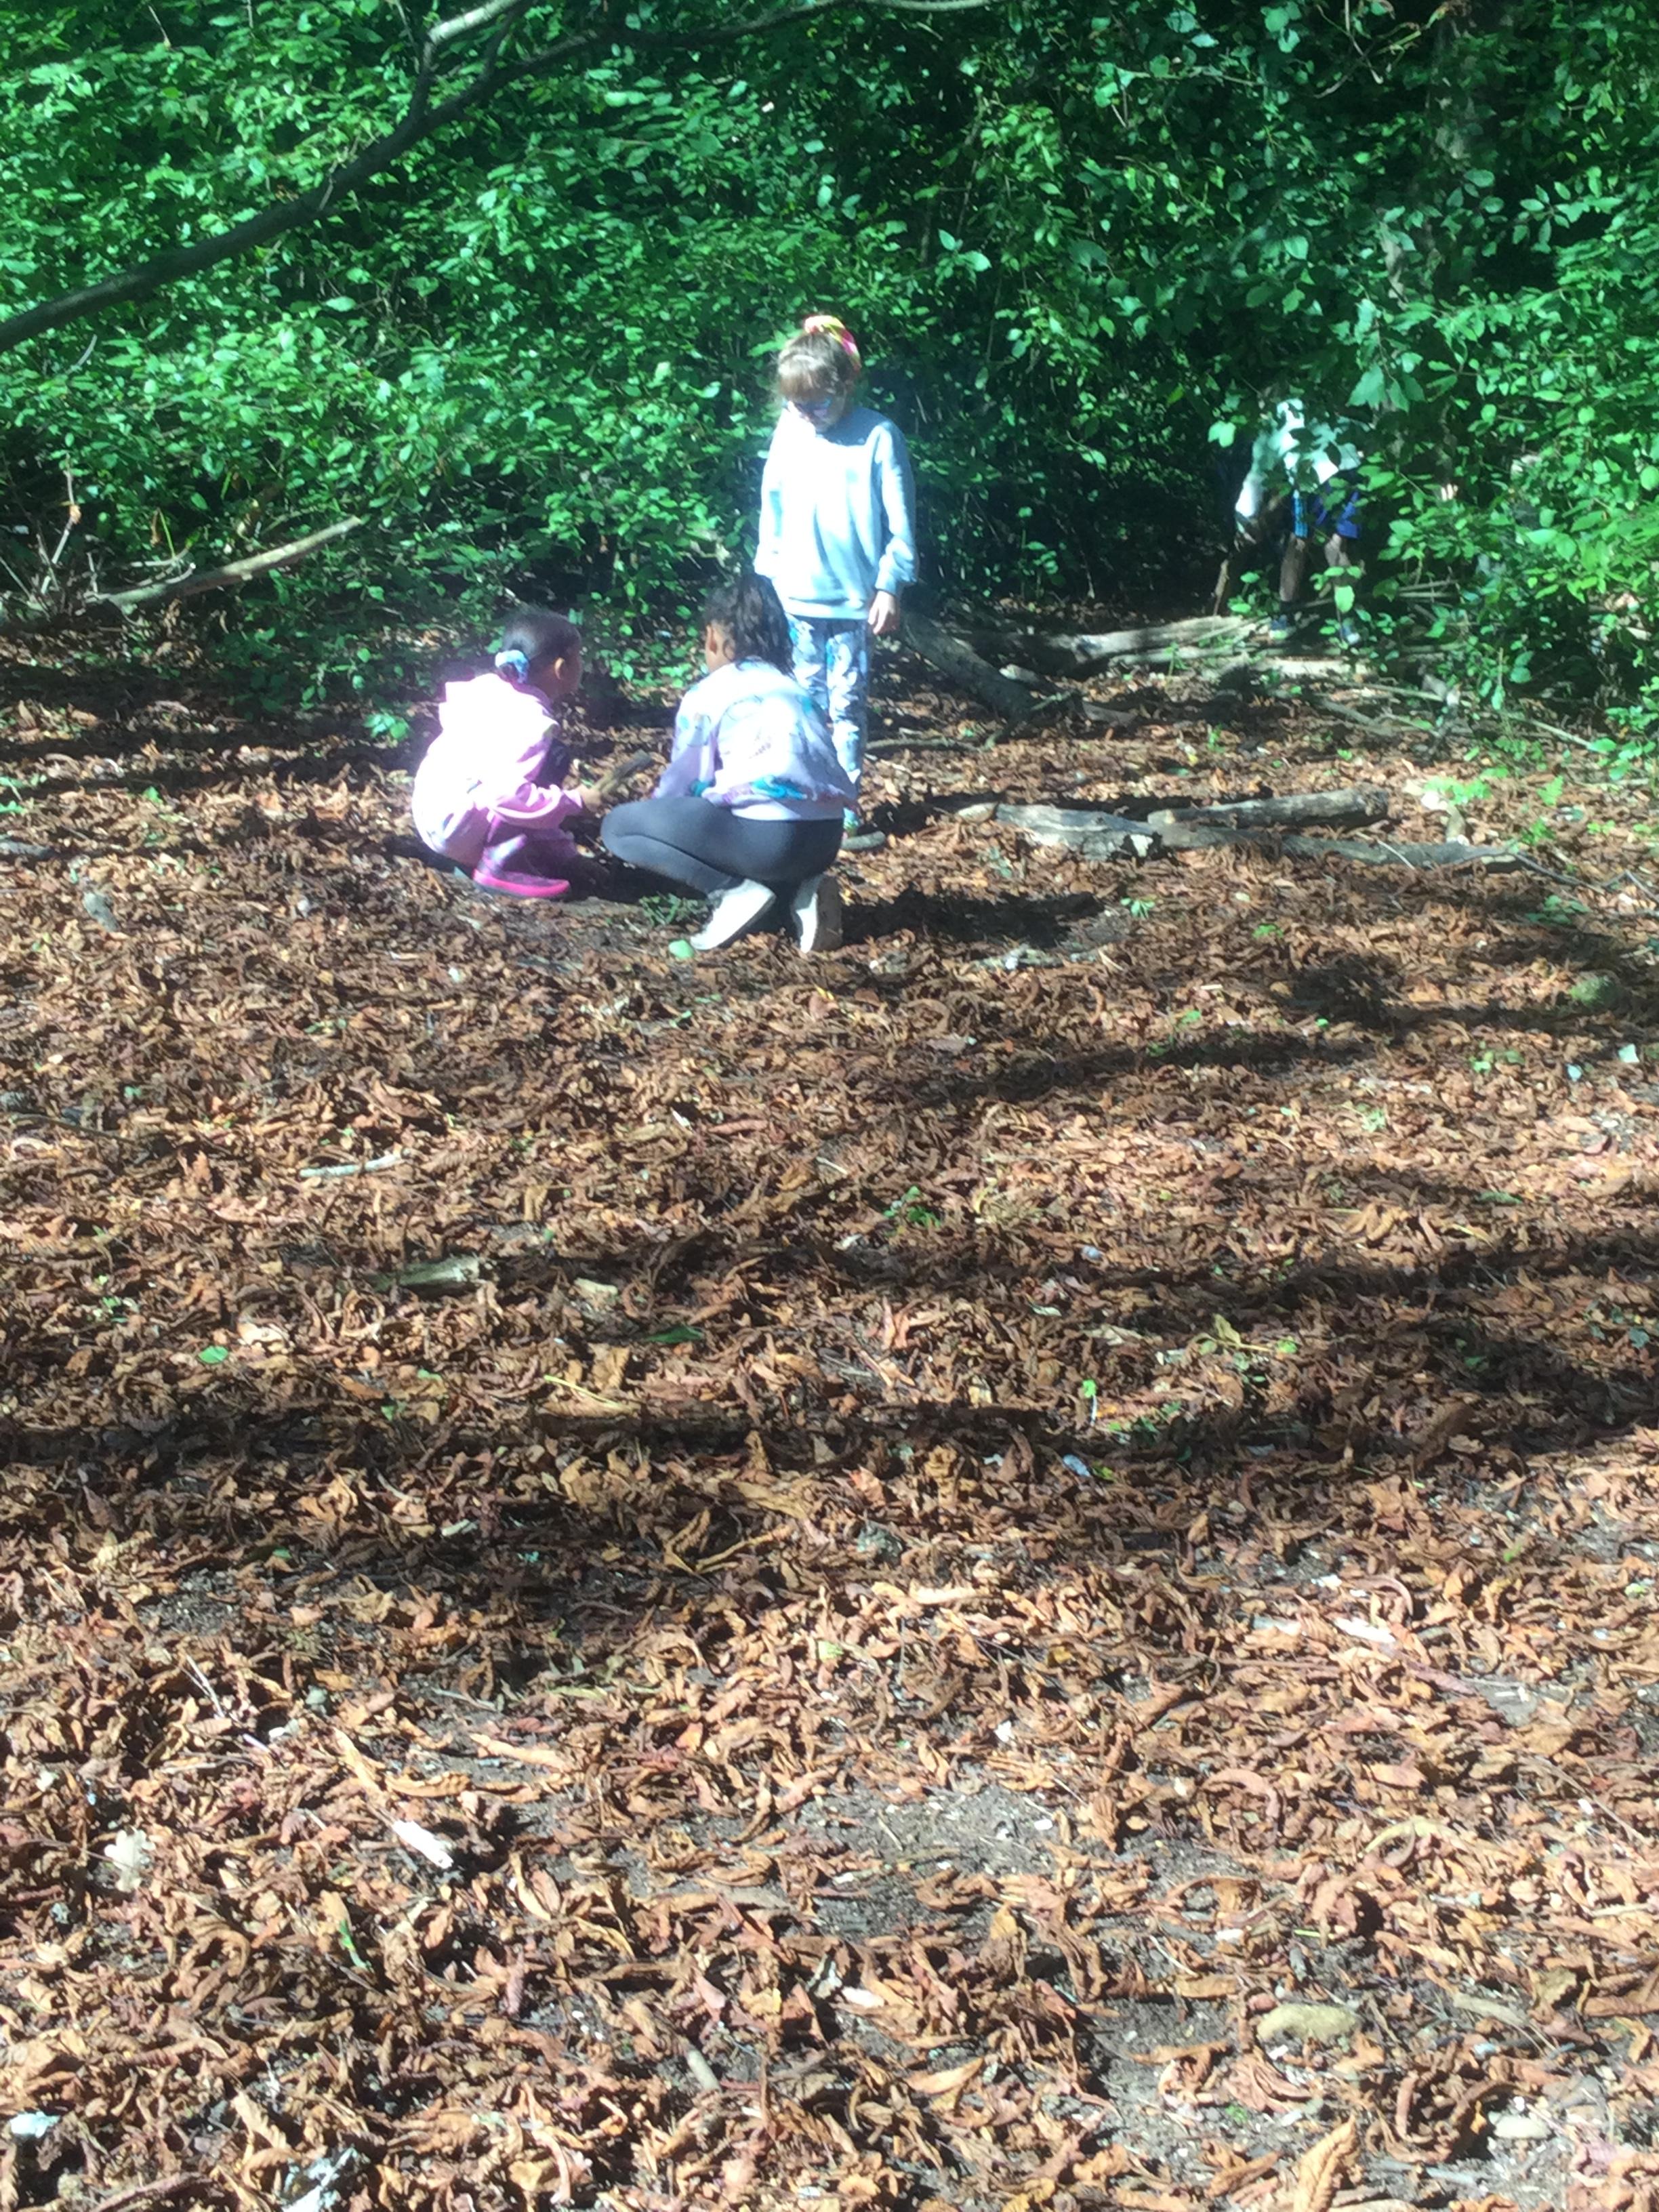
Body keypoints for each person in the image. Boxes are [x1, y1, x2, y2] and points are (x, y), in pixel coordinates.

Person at [601, 571, 855, 953]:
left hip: (765, 841)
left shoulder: (710, 692)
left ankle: (731, 892)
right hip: (825, 840)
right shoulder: (796, 691)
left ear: (713, 638)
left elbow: (685, 783)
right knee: (755, 823)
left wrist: (657, 819)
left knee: (618, 827)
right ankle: (801, 895)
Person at [754, 313, 916, 851]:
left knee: (846, 705)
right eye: (796, 404)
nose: (807, 414)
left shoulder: (878, 436)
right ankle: (805, 801)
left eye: (818, 403)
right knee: (800, 704)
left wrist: (890, 584)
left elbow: (901, 525)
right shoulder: (790, 431)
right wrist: (766, 578)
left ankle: (843, 809)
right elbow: (772, 506)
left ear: (846, 385)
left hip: (852, 603)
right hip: (794, 596)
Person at [410, 607, 599, 898]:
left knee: (551, 757)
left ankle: (519, 853)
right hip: (457, 830)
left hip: (432, 817)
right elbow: (506, 794)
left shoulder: (489, 689)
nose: (583, 664)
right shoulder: (531, 721)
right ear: (561, 668)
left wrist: (566, 855)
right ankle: (500, 866)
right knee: (553, 759)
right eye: (580, 656)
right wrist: (575, 802)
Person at [1220, 395, 1364, 642]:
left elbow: (1255, 481)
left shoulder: (1270, 428)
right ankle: (1348, 626)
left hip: (1312, 476)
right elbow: (1362, 430)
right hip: (1351, 470)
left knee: (1298, 543)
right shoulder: (1315, 407)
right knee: (1336, 546)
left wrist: (1243, 524)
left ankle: (1285, 617)